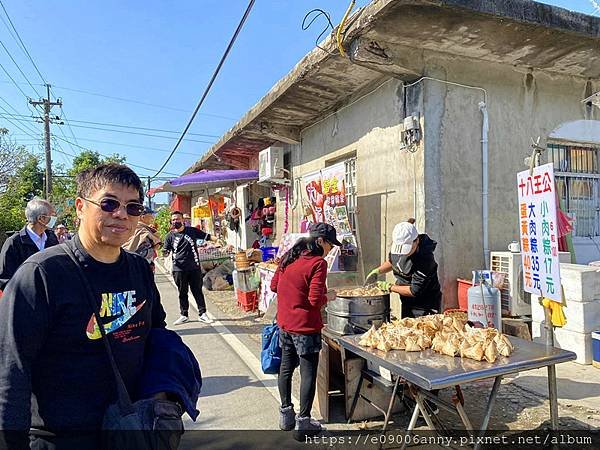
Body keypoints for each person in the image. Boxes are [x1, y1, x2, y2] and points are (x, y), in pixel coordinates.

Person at [0, 164, 168, 449]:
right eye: (108, 203)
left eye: (133, 207)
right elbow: (11, 371)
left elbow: (158, 335)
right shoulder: (42, 273)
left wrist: (165, 395)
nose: (121, 214)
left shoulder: (139, 269)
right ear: (80, 207)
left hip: (129, 429)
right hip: (60, 438)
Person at [270, 223, 340, 439]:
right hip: (305, 327)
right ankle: (303, 425)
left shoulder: (290, 256)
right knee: (308, 372)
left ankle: (286, 416)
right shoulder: (318, 263)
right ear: (320, 241)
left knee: (286, 367)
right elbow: (314, 300)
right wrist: (330, 297)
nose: (331, 250)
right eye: (330, 245)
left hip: (285, 323)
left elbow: (274, 286)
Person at [366, 221, 442, 318]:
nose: (403, 253)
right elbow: (392, 261)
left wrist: (389, 287)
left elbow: (414, 290)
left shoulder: (425, 260)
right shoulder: (398, 246)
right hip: (407, 301)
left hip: (425, 305)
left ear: (417, 241)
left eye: (407, 248)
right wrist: (377, 271)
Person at [163, 210, 215, 325]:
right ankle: (184, 314)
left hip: (194, 268)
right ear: (171, 222)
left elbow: (207, 236)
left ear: (183, 220)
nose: (175, 221)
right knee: (182, 292)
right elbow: (165, 250)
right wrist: (165, 252)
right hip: (178, 269)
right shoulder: (169, 236)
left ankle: (202, 314)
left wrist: (218, 240)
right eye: (173, 220)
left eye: (177, 219)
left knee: (197, 291)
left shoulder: (192, 231)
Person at [0, 197, 59, 290]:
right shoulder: (14, 243)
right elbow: (5, 279)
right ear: (41, 218)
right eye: (52, 215)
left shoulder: (52, 238)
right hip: (26, 300)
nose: (54, 219)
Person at [123, 205, 162, 271]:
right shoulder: (142, 231)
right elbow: (142, 253)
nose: (153, 217)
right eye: (150, 214)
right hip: (140, 268)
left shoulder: (132, 228)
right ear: (142, 217)